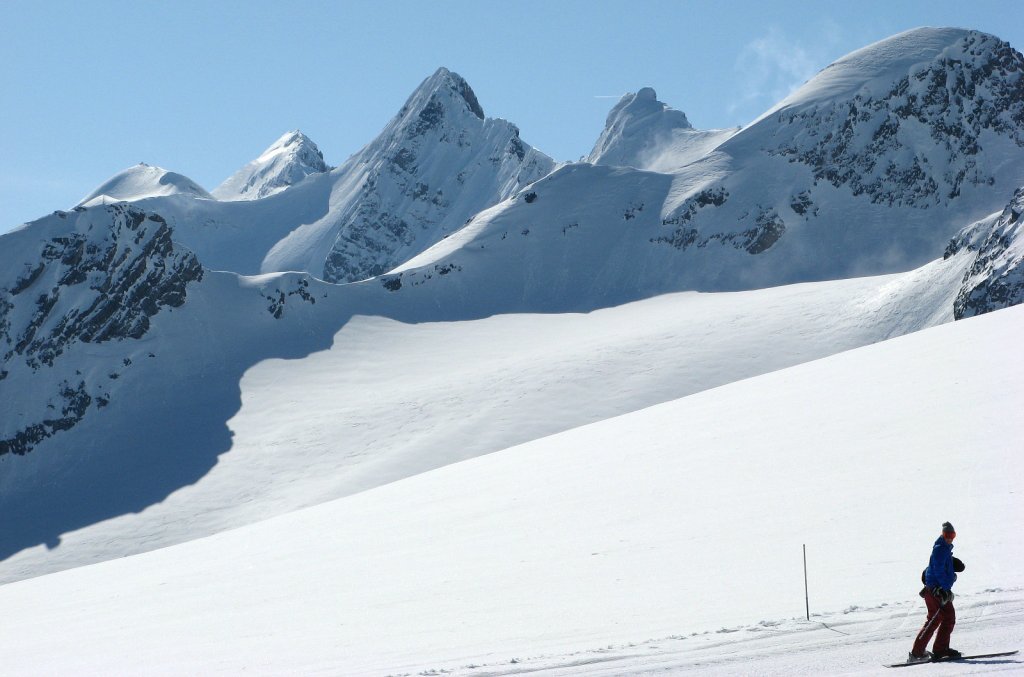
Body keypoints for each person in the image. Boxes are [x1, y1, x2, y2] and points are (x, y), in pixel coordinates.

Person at [909, 522, 962, 662]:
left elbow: (937, 569)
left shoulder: (945, 550)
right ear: (942, 535)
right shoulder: (940, 549)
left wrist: (952, 575)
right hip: (935, 592)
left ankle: (940, 649)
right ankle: (916, 653)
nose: (950, 538)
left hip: (941, 590)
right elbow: (937, 571)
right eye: (947, 535)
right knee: (934, 619)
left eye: (952, 535)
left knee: (949, 617)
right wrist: (943, 588)